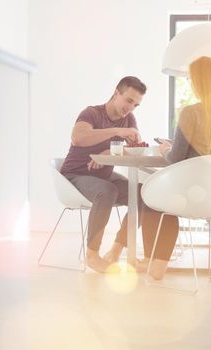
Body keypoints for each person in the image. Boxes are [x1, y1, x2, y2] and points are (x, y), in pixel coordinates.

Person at [138, 56, 211, 280]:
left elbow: (175, 159)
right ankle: (155, 263)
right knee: (166, 200)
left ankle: (155, 263)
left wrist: (164, 149)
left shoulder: (190, 113)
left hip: (191, 194)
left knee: (151, 198)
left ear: (197, 82)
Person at [60, 76, 146, 273]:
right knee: (106, 191)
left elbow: (135, 149)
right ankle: (92, 255)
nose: (131, 108)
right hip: (74, 176)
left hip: (104, 176)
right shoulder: (91, 113)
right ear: (116, 93)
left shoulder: (129, 119)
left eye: (136, 105)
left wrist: (110, 153)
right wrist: (116, 131)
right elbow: (78, 138)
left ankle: (115, 251)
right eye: (129, 101)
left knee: (142, 194)